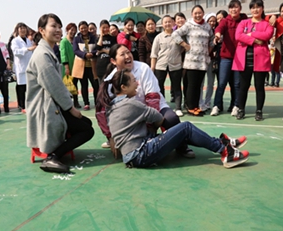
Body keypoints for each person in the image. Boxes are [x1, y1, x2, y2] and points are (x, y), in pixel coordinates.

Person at [106, 70, 249, 169]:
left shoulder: (111, 107)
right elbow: (158, 117)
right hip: (142, 153)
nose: (137, 83)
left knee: (180, 132)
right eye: (133, 81)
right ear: (124, 87)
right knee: (185, 127)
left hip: (135, 154)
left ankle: (222, 143)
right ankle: (225, 151)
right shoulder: (131, 104)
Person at [95, 44, 195, 159]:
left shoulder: (143, 68)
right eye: (122, 54)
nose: (127, 56)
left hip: (152, 109)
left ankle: (181, 146)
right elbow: (101, 111)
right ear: (113, 61)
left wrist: (151, 125)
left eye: (128, 52)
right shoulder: (110, 80)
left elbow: (152, 97)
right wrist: (110, 136)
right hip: (131, 115)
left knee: (171, 119)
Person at [26, 13, 94, 174]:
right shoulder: (42, 55)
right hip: (45, 108)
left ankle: (58, 150)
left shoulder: (48, 50)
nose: (58, 30)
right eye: (53, 26)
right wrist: (71, 109)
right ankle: (53, 157)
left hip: (52, 103)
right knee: (87, 130)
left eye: (59, 27)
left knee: (86, 124)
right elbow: (54, 86)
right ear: (42, 30)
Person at [232, 0, 274, 121]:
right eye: (253, 7)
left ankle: (259, 111)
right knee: (243, 86)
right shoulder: (244, 22)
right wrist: (255, 39)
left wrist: (250, 34)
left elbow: (267, 35)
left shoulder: (267, 24)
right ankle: (241, 109)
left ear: (262, 8)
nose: (255, 10)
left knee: (259, 87)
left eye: (258, 7)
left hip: (260, 59)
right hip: (244, 60)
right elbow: (238, 36)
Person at [172, 5, 214, 116]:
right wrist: (184, 44)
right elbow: (175, 34)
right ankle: (190, 107)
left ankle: (196, 106)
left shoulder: (207, 26)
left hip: (203, 61)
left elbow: (212, 39)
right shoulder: (188, 25)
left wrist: (209, 49)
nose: (198, 15)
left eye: (200, 13)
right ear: (192, 14)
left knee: (198, 85)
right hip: (191, 61)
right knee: (192, 85)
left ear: (203, 13)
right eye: (195, 13)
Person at [210, 0, 247, 117]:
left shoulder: (245, 20)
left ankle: (236, 106)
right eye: (231, 8)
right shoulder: (226, 21)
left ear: (240, 8)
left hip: (240, 57)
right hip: (226, 57)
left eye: (236, 7)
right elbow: (219, 28)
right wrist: (217, 35)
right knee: (221, 83)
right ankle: (216, 106)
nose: (233, 10)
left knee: (236, 84)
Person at [151, 15, 184, 116]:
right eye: (165, 22)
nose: (168, 24)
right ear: (162, 24)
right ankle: (163, 106)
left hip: (175, 65)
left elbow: (184, 47)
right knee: (160, 87)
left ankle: (178, 108)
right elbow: (154, 54)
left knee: (176, 87)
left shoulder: (178, 35)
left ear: (173, 23)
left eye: (169, 22)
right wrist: (152, 68)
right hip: (161, 65)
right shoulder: (158, 37)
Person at [72, 21, 99, 109]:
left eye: (85, 28)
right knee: (84, 85)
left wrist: (92, 53)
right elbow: (75, 50)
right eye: (81, 28)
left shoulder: (94, 38)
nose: (83, 30)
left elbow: (97, 48)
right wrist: (84, 55)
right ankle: (86, 103)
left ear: (88, 28)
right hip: (81, 66)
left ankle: (97, 102)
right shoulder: (76, 39)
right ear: (79, 29)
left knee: (95, 85)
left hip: (92, 65)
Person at [11, 23, 37, 112]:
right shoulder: (15, 41)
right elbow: (16, 52)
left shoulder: (29, 41)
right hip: (21, 67)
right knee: (21, 87)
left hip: (29, 66)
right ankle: (21, 105)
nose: (23, 30)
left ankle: (28, 104)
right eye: (21, 28)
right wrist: (27, 49)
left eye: (24, 28)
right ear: (17, 30)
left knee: (28, 87)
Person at [60, 22, 80, 108]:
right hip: (67, 66)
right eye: (71, 30)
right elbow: (63, 55)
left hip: (76, 66)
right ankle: (68, 103)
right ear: (67, 30)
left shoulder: (75, 40)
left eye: (75, 30)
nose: (73, 32)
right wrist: (66, 67)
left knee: (74, 84)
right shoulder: (64, 42)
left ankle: (76, 101)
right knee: (67, 85)